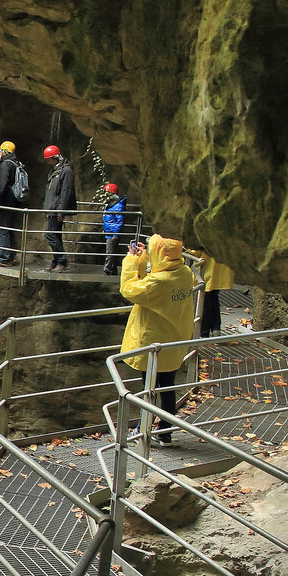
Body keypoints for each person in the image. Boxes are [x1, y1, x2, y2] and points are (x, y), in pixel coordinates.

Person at [120, 234, 197, 444]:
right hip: (174, 340)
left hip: (153, 342)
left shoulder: (158, 283)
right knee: (167, 387)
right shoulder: (185, 273)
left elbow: (129, 290)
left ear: (160, 253)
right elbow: (157, 274)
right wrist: (144, 259)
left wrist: (131, 261)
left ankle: (142, 429)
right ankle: (165, 432)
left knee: (149, 390)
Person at [40, 146, 77, 271]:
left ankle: (62, 260)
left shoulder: (66, 171)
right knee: (55, 235)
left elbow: (66, 192)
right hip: (53, 208)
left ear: (55, 158)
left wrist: (61, 211)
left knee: (50, 234)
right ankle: (56, 261)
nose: (47, 161)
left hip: (57, 209)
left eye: (48, 159)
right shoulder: (56, 170)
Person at [0, 141, 29, 266]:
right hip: (15, 201)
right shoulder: (16, 163)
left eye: (0, 150)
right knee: (10, 228)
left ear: (5, 152)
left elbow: (1, 185)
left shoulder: (6, 164)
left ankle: (5, 259)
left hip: (5, 202)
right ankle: (11, 255)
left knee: (3, 230)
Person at [190, 246, 234, 336]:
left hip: (207, 269)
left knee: (204, 300)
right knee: (213, 297)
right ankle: (216, 327)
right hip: (221, 269)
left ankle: (203, 331)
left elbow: (196, 251)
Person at [100, 183, 128, 276]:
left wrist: (116, 234)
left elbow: (119, 221)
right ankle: (113, 269)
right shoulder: (110, 205)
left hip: (112, 233)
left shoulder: (117, 206)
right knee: (112, 251)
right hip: (109, 232)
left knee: (110, 252)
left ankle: (107, 269)